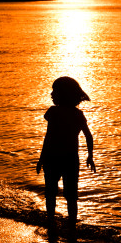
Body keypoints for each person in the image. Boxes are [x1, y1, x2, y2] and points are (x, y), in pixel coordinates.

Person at [36, 76, 95, 226]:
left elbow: (48, 138)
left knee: (51, 193)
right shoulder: (77, 114)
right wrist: (90, 156)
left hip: (53, 158)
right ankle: (72, 226)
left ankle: (51, 222)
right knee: (71, 196)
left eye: (54, 91)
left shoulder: (53, 112)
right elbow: (89, 136)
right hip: (70, 160)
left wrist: (41, 159)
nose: (51, 94)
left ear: (62, 94)